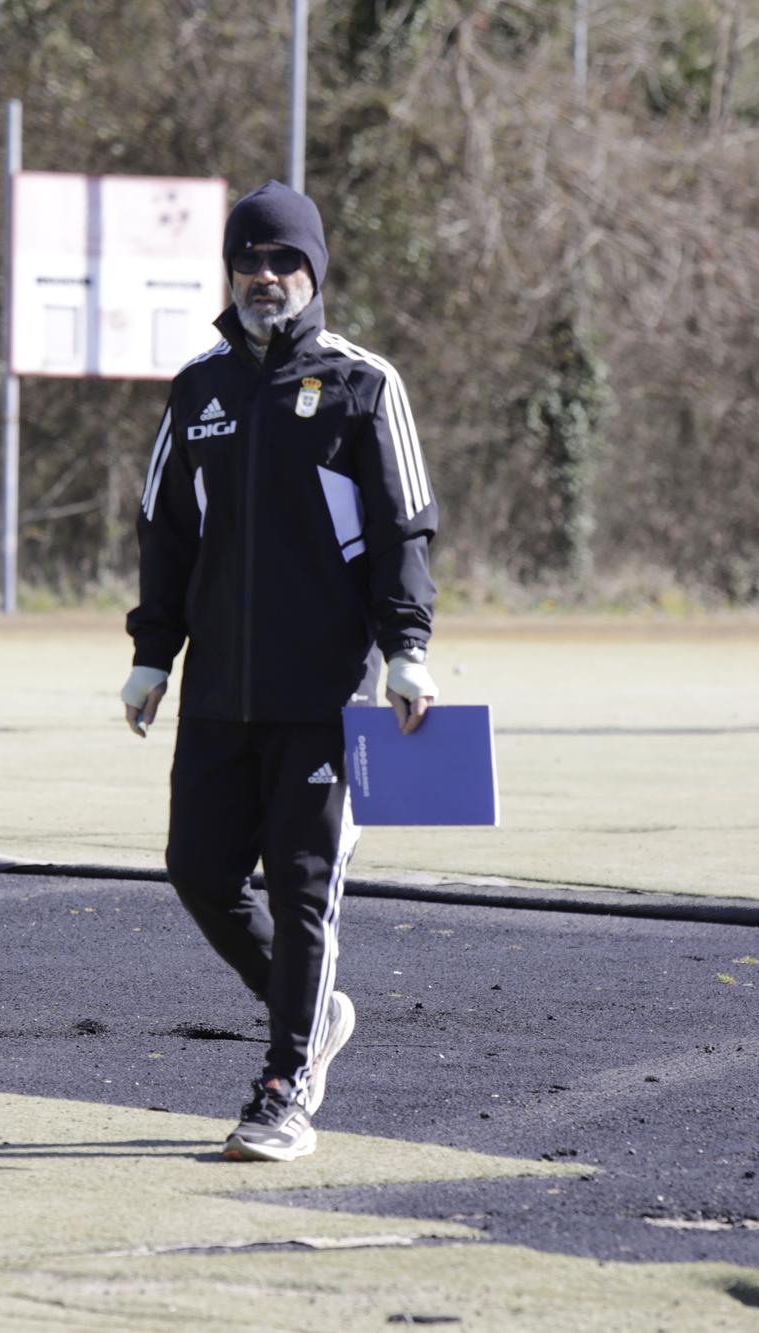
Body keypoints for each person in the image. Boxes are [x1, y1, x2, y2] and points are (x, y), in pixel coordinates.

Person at [119, 180, 440, 1162]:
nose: (264, 278)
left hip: (324, 695)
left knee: (303, 891)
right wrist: (148, 655)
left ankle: (283, 1090)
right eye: (249, 262)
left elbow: (403, 529)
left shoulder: (361, 385)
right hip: (217, 692)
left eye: (283, 262)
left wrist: (406, 648)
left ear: (313, 272)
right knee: (198, 869)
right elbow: (166, 535)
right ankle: (311, 1013)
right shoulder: (198, 388)